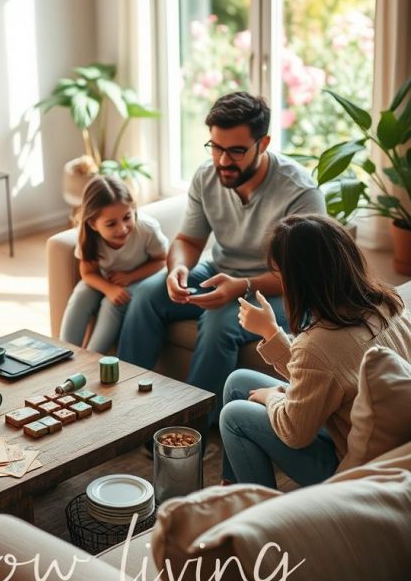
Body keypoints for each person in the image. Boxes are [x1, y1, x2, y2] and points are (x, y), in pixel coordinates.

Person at [117, 91, 326, 411]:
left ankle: (190, 425)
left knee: (219, 323)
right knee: (147, 294)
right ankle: (126, 405)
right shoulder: (207, 175)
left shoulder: (299, 192)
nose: (223, 161)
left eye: (237, 151)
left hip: (285, 290)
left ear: (264, 143)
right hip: (221, 271)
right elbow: (188, 241)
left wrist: (243, 286)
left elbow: (304, 276)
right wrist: (177, 269)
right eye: (216, 148)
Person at [219, 213, 411, 488]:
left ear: (300, 279)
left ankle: (262, 517)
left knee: (233, 416)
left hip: (355, 471)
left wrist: (272, 397)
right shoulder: (386, 301)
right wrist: (271, 333)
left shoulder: (320, 342)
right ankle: (232, 487)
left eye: (281, 274)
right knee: (237, 382)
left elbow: (295, 432)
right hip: (386, 441)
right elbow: (326, 378)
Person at [60, 174, 168, 354]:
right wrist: (108, 288)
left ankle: (91, 359)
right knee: (82, 294)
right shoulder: (89, 237)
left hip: (141, 278)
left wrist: (129, 277)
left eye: (127, 217)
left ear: (133, 209)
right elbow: (88, 273)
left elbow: (162, 260)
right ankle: (62, 352)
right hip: (108, 280)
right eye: (111, 224)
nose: (122, 228)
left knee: (115, 303)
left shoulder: (147, 229)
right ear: (93, 224)